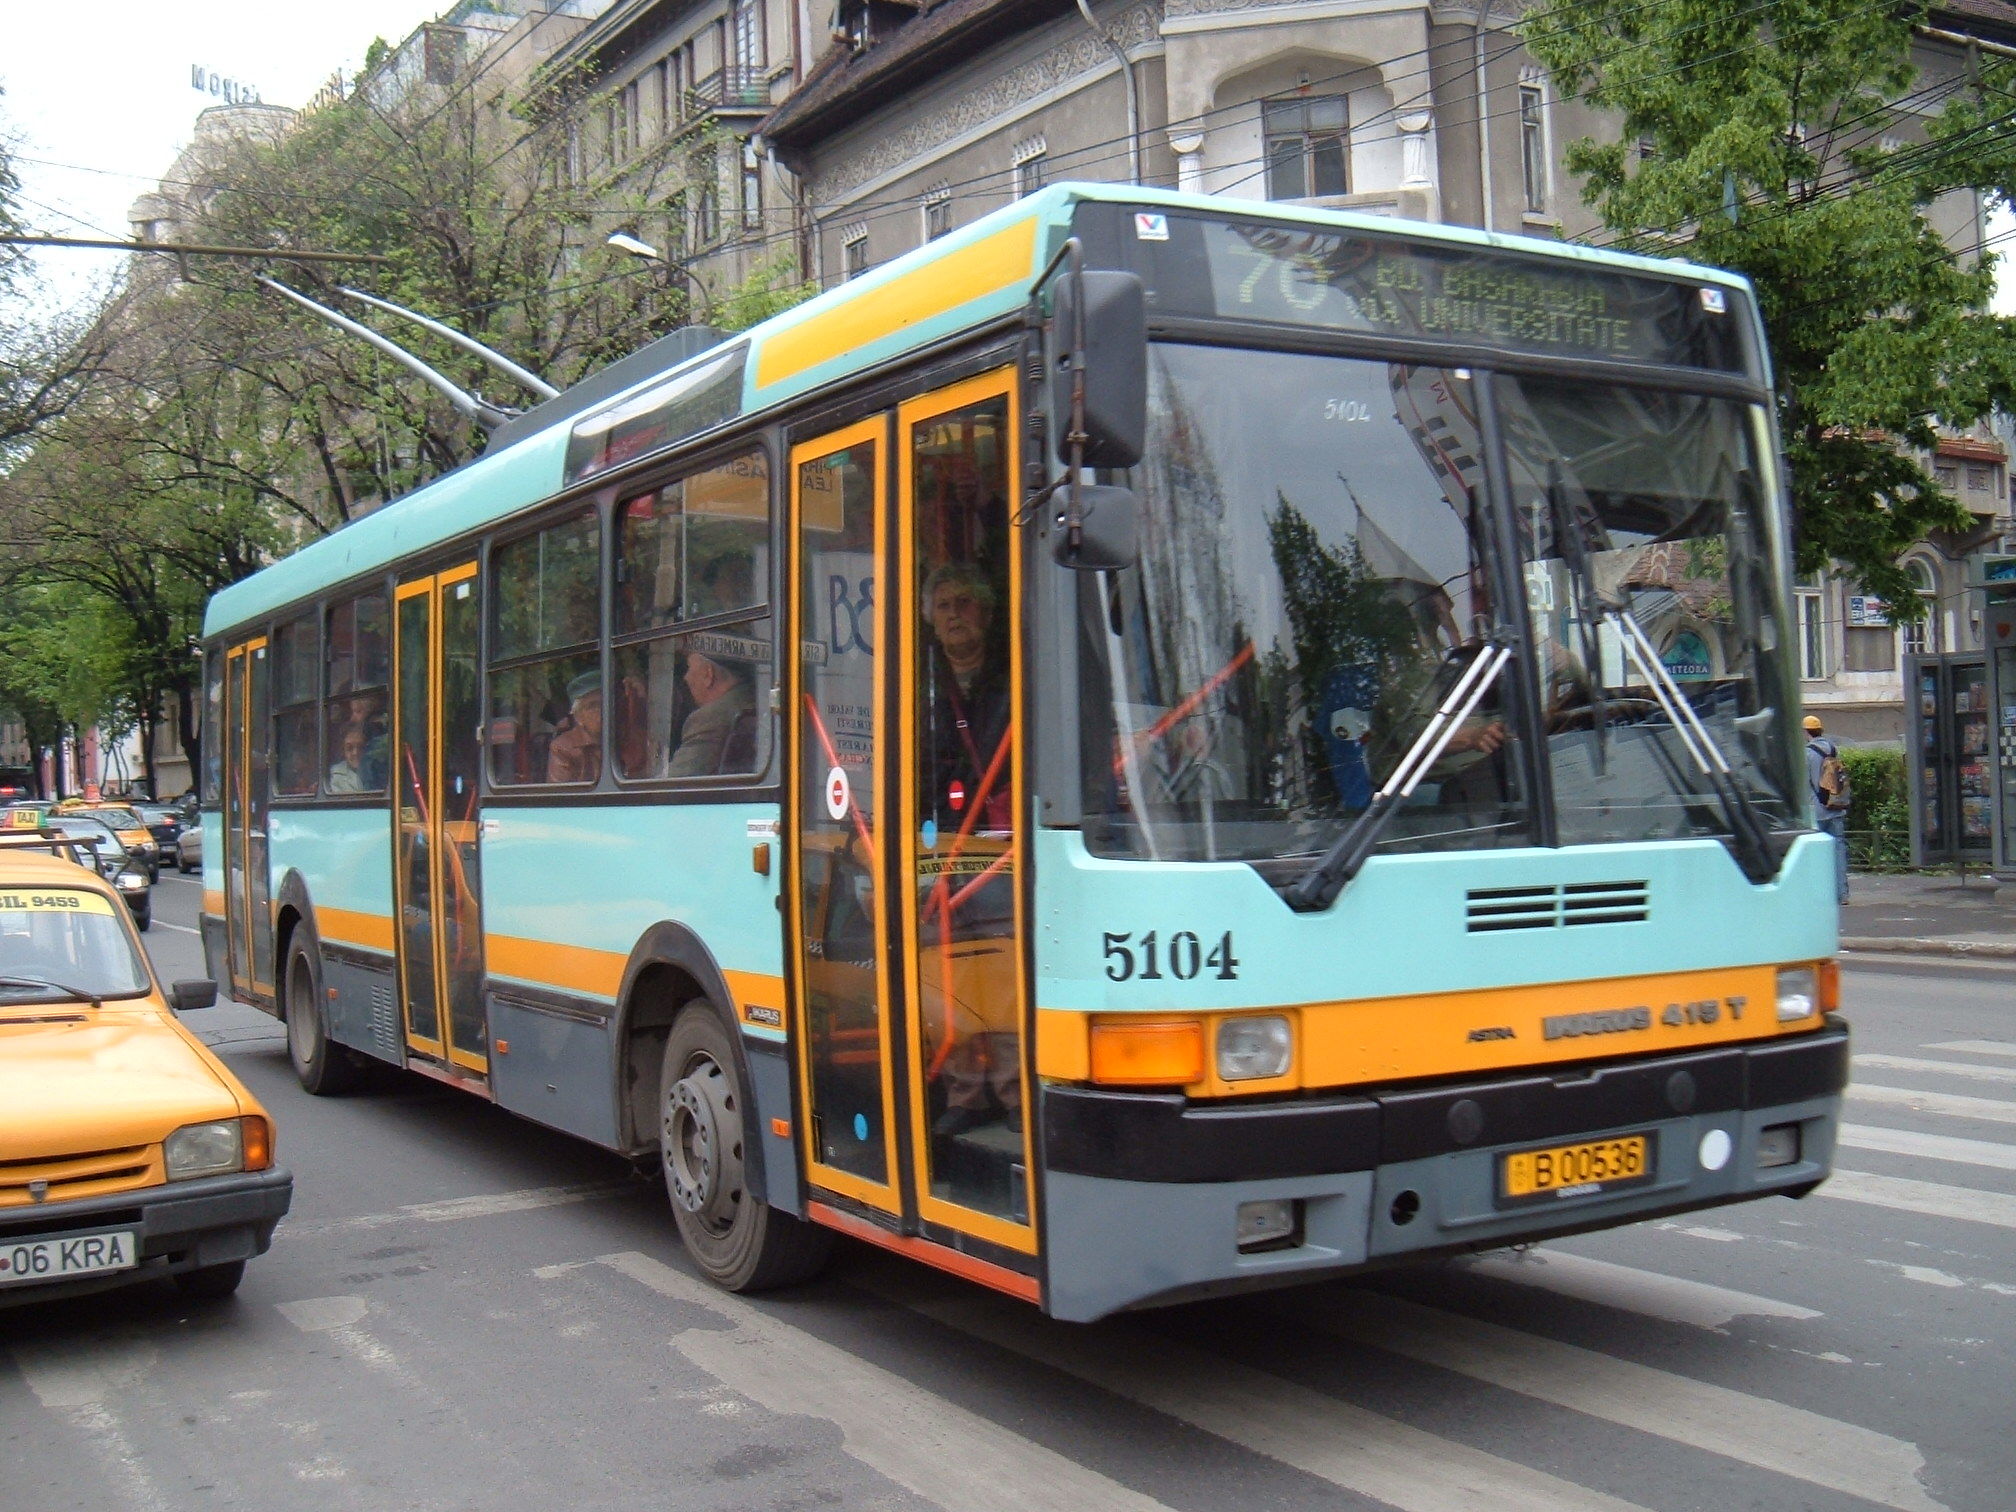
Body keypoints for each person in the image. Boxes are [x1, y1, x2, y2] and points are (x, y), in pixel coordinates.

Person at [666, 650, 754, 778]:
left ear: (708, 674)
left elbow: (672, 786)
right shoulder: (752, 699)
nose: (686, 677)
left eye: (689, 668)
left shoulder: (709, 719)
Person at [1805, 713, 1851, 902]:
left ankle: (1821, 895)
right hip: (1836, 807)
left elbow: (1804, 782)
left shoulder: (1806, 753)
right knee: (1838, 852)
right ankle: (1843, 894)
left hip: (1817, 811)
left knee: (1816, 855)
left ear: (1806, 732)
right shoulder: (1833, 749)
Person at [546, 670, 603, 784]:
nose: (601, 710)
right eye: (592, 706)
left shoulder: (625, 737)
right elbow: (560, 796)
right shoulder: (562, 747)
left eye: (604, 703)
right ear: (578, 717)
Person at [327, 726, 369, 793]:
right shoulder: (334, 775)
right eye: (349, 748)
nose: (355, 753)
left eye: (360, 747)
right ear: (343, 751)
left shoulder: (375, 770)